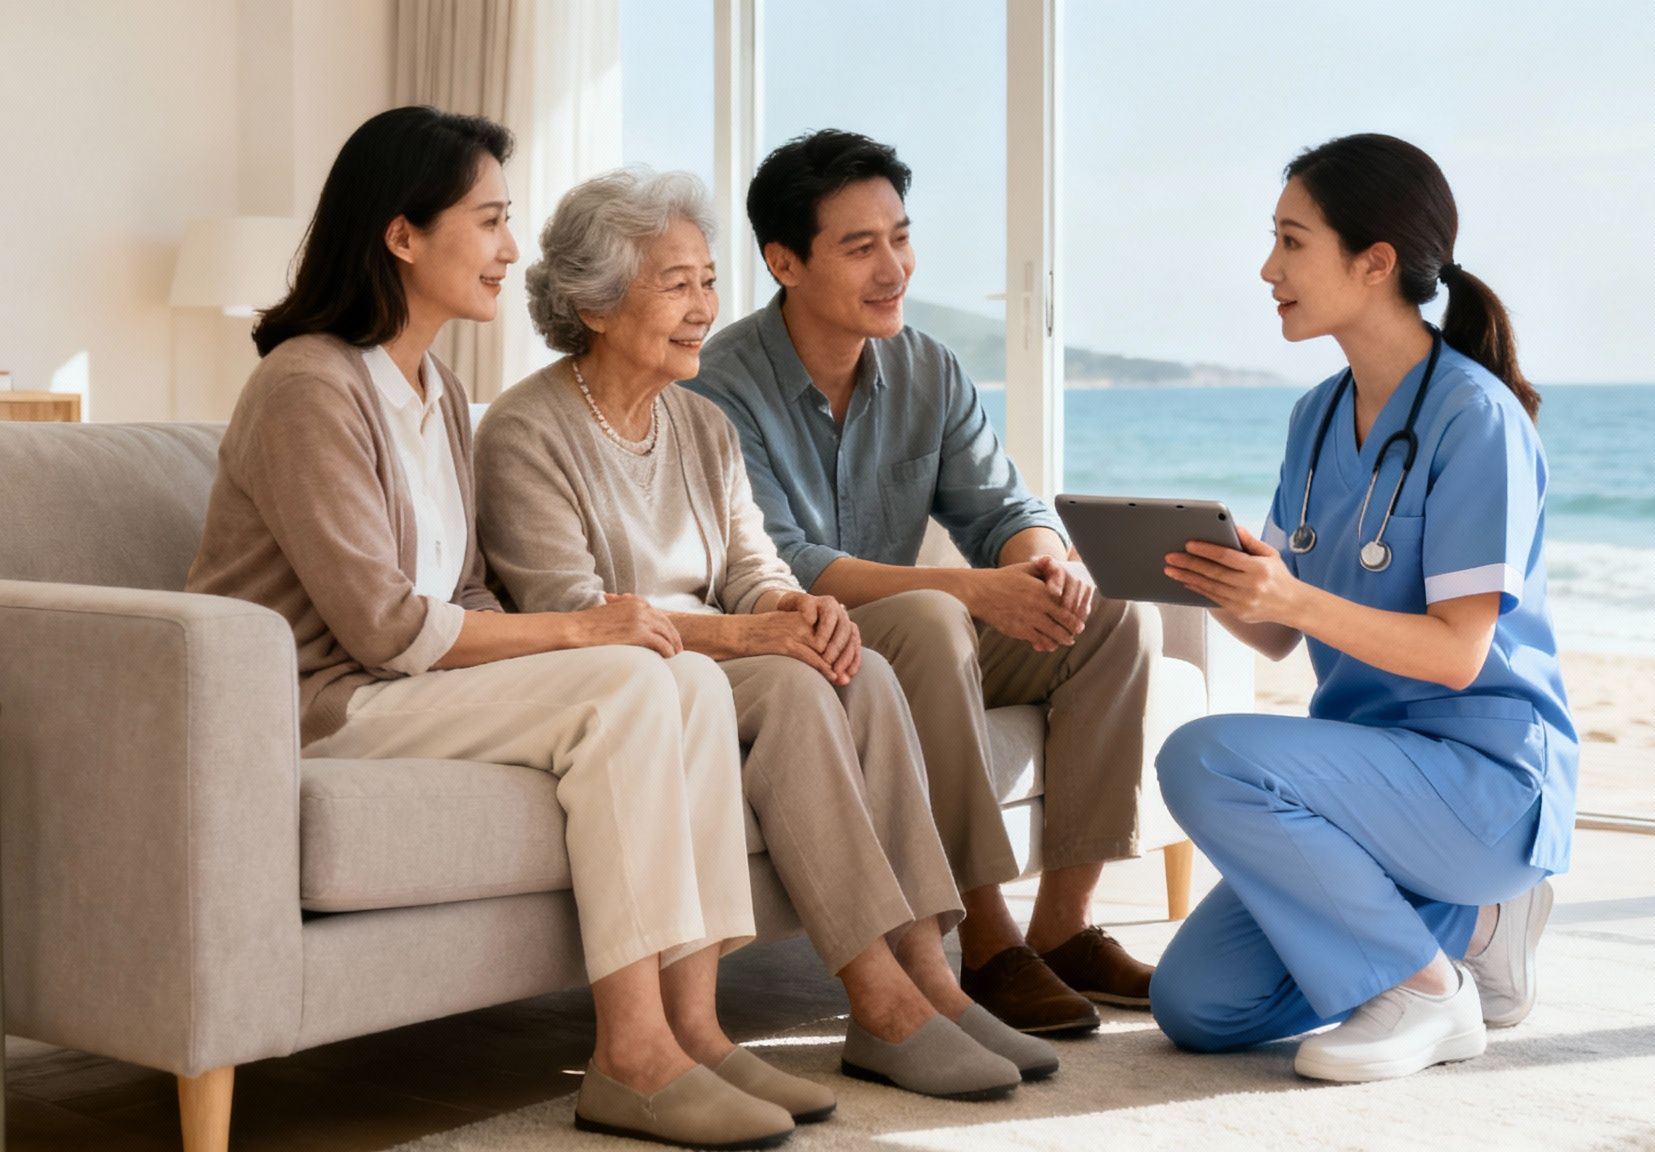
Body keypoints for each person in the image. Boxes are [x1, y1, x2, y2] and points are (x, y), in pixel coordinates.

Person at [186, 107, 798, 1149]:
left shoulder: (436, 388)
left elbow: (461, 593)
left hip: (404, 689)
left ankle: (690, 1026)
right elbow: (379, 626)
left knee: (684, 679)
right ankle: (630, 1054)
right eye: (490, 220)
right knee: (626, 676)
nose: (511, 249)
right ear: (402, 236)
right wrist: (579, 631)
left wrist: (595, 634)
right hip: (320, 701)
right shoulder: (307, 384)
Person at [477, 167, 1061, 1100]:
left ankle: (934, 980)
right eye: (677, 284)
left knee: (858, 667)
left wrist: (801, 609)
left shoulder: (702, 424)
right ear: (594, 302)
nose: (704, 306)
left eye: (709, 281)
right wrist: (756, 642)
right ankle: (878, 1002)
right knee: (796, 684)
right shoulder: (525, 433)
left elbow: (753, 569)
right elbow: (581, 617)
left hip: (720, 652)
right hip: (637, 672)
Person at [685, 131, 1164, 1036]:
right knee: (941, 619)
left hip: (911, 630)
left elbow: (1001, 505)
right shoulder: (720, 387)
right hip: (794, 644)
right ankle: (984, 941)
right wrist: (974, 593)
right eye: (859, 247)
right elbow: (784, 562)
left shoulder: (928, 368)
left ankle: (1062, 929)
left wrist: (1038, 562)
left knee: (1110, 619)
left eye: (900, 237)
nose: (893, 266)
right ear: (783, 261)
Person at [1147, 133, 1576, 1083]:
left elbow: (1459, 654)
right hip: (1364, 788)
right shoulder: (1316, 416)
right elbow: (1277, 632)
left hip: (1484, 782)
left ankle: (1428, 988)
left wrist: (1291, 592)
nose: (1268, 268)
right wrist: (1215, 578)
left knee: (1202, 753)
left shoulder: (1476, 417)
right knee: (1201, 1007)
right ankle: (1464, 926)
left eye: (1292, 242)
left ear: (1374, 262)